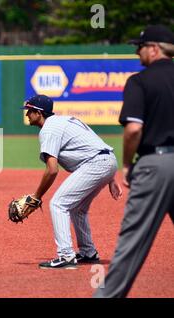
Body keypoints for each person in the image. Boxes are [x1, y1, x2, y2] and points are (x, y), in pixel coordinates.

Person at [94, 25, 174, 297]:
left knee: (133, 240)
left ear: (154, 49)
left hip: (156, 163)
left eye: (139, 47)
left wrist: (127, 164)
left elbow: (133, 130)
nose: (137, 52)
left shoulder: (140, 81)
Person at [22, 94, 122, 269]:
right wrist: (110, 176)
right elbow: (95, 145)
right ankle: (88, 252)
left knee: (58, 204)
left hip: (96, 164)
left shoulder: (49, 129)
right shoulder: (64, 120)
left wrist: (36, 196)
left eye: (29, 111)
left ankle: (66, 256)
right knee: (77, 208)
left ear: (39, 113)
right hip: (106, 161)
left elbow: (52, 169)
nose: (27, 115)